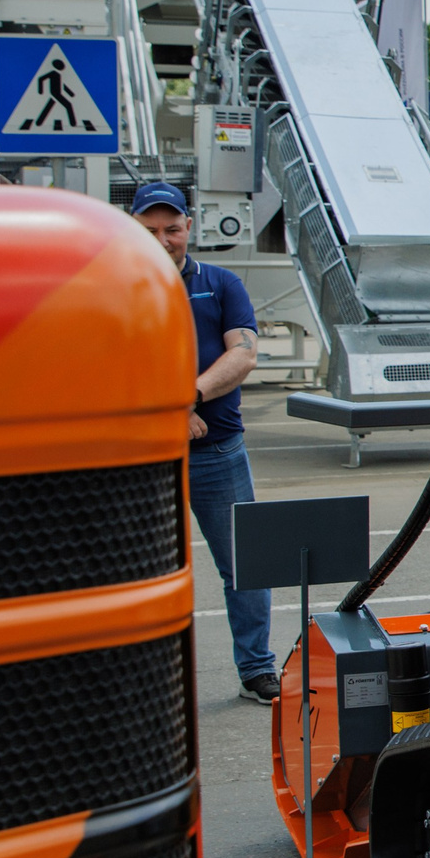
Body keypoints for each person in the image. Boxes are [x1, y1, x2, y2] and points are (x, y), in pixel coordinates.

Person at [130, 182, 278, 702]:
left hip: (217, 453)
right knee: (140, 574)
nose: (163, 240)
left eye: (172, 229)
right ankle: (142, 682)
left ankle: (256, 669)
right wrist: (168, 411)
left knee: (245, 565)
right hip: (144, 457)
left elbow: (244, 354)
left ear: (189, 227)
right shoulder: (116, 287)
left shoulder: (220, 284)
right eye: (150, 230)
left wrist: (186, 398)